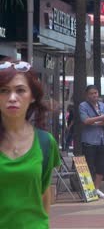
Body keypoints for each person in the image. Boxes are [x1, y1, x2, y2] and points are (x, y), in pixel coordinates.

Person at [0, 59, 61, 228]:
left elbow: (44, 193)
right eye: (4, 90)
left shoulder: (45, 142)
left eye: (20, 90)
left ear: (32, 96)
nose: (12, 98)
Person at [79, 85, 104, 198]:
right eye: (92, 93)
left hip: (101, 140)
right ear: (87, 95)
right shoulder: (83, 106)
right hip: (89, 141)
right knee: (89, 166)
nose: (94, 95)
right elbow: (86, 120)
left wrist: (99, 121)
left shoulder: (102, 105)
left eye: (96, 93)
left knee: (100, 166)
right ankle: (88, 191)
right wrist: (100, 118)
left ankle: (96, 189)